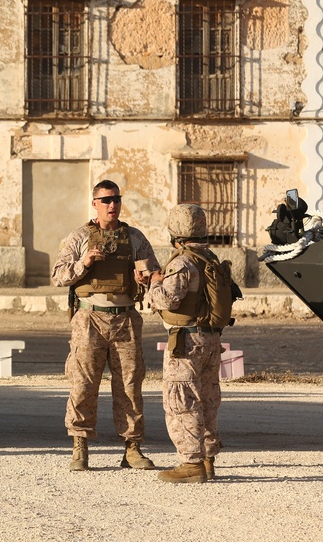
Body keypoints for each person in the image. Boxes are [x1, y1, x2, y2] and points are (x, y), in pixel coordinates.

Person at [51, 180, 159, 471]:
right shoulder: (79, 237)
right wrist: (84, 263)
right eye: (106, 200)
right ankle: (80, 446)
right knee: (84, 383)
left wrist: (145, 279)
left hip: (125, 318)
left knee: (130, 385)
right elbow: (59, 276)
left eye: (117, 199)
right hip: (90, 318)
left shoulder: (135, 238)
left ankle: (132, 448)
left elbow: (154, 274)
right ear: (95, 204)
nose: (113, 205)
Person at [147, 204, 235, 483]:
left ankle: (191, 464)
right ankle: (207, 460)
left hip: (187, 340)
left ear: (175, 233)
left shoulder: (182, 262)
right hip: (210, 339)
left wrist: (152, 284)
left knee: (181, 399)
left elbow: (167, 300)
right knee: (207, 398)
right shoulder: (209, 258)